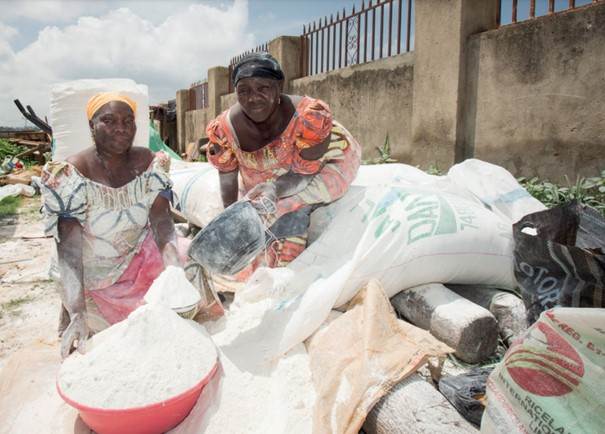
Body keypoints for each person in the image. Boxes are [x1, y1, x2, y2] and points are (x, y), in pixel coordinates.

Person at [41, 92, 187, 358]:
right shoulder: (71, 174)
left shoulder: (149, 163)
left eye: (128, 121)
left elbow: (162, 221)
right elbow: (70, 251)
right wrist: (77, 311)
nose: (120, 128)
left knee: (189, 269)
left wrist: (173, 270)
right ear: (91, 126)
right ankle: (70, 305)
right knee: (127, 335)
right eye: (108, 120)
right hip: (92, 275)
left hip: (136, 257)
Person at [206, 53, 361, 270]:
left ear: (279, 87)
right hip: (269, 173)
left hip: (321, 166)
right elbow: (227, 174)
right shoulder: (224, 130)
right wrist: (231, 216)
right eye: (244, 91)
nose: (253, 98)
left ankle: (285, 263)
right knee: (254, 212)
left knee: (285, 209)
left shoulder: (310, 119)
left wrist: (275, 190)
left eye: (263, 88)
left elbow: (304, 174)